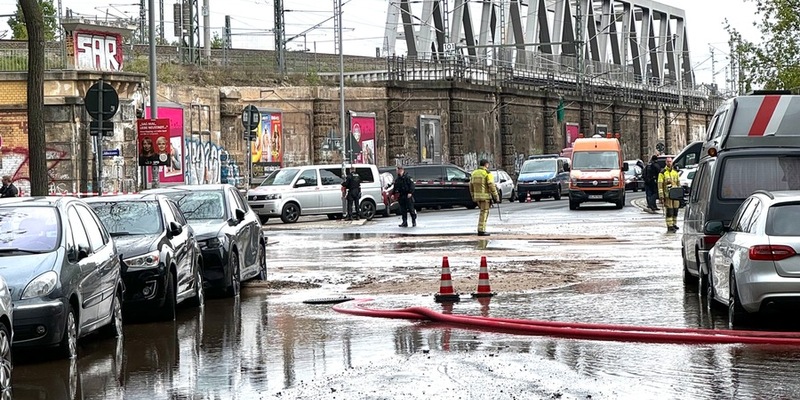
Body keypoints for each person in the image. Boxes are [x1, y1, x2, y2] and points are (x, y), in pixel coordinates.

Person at [469, 159, 499, 236]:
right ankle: (481, 230)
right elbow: (491, 185)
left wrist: (473, 195)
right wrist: (496, 196)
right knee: (484, 213)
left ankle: (481, 229)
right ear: (486, 164)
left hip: (477, 197)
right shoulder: (487, 173)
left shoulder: (474, 173)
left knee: (482, 212)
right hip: (485, 197)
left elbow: (470, 185)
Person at [658, 157, 681, 233]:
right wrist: (661, 196)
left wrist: (680, 193)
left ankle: (674, 224)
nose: (669, 163)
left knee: (675, 210)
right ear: (666, 162)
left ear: (672, 162)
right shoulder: (662, 173)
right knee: (669, 211)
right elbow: (660, 185)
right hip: (667, 195)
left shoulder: (675, 172)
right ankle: (669, 226)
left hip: (675, 195)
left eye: (670, 161)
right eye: (668, 162)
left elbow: (678, 183)